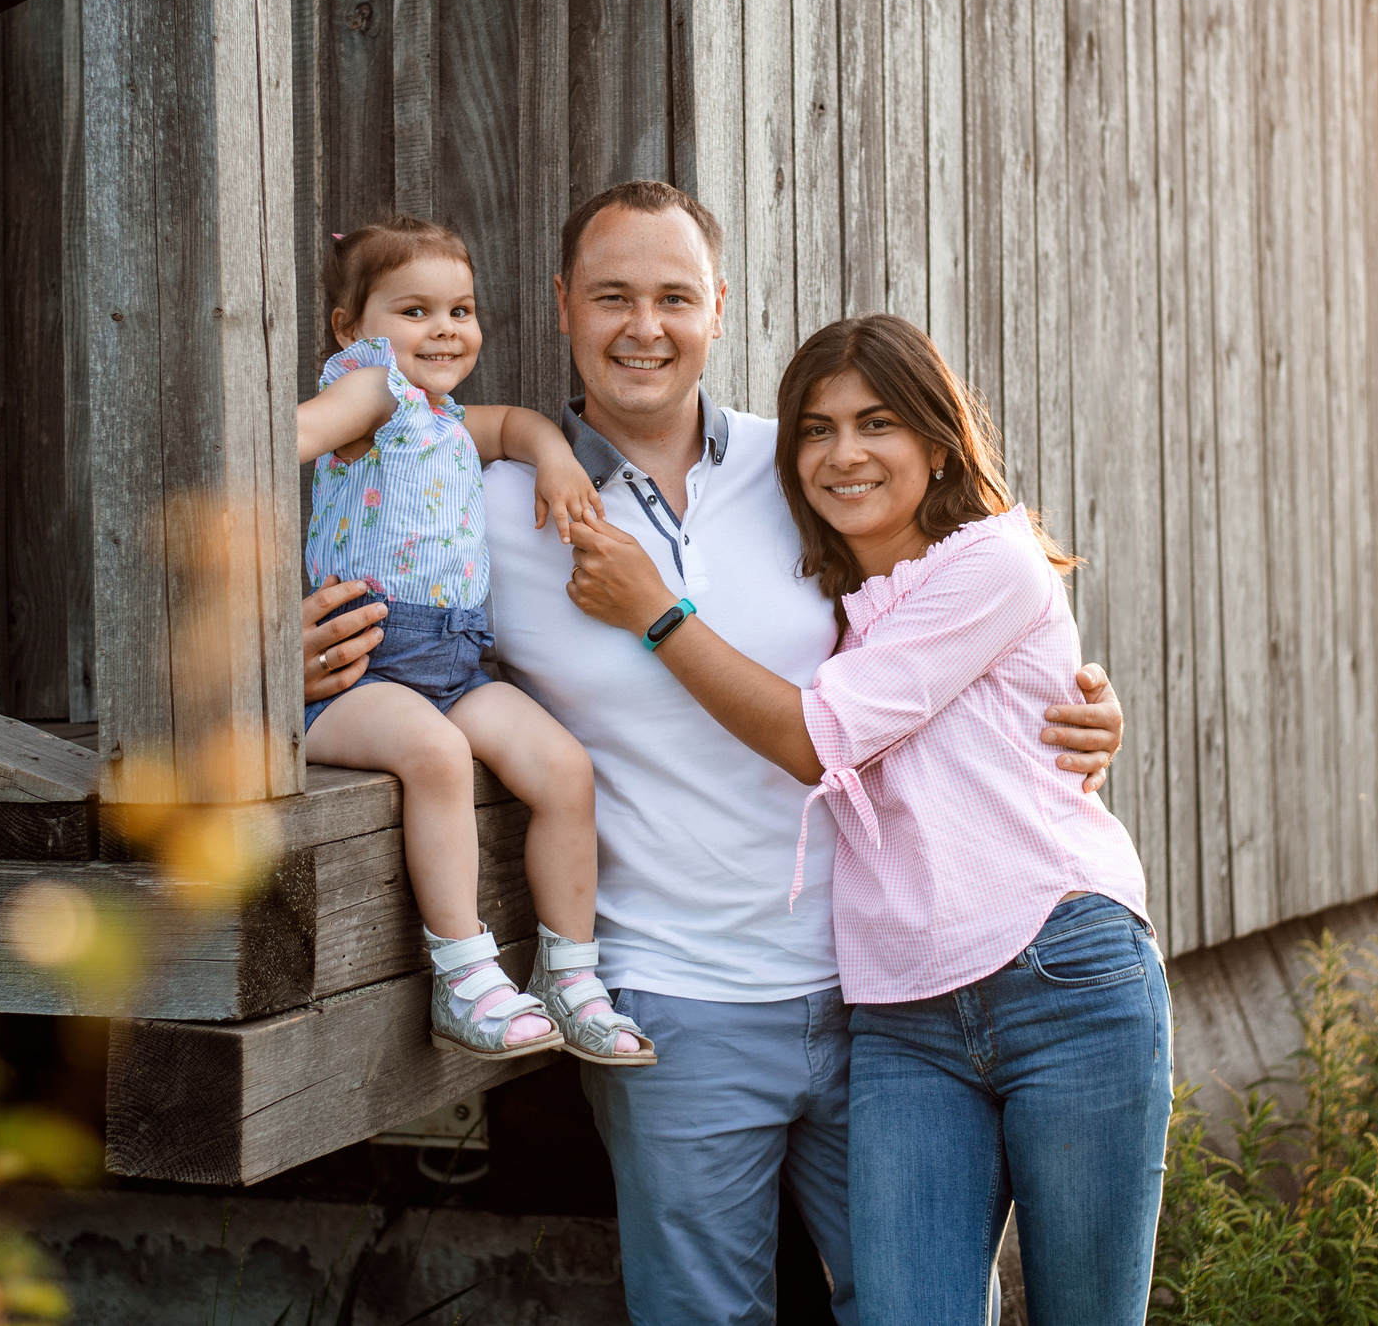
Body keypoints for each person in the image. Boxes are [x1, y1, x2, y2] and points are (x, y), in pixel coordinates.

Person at [298, 184, 1131, 1326]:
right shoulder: (484, 502)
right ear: (560, 307)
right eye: (612, 296)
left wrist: (1078, 697)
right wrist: (285, 660)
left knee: (933, 1309)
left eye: (675, 296)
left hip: (882, 992)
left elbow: (950, 610)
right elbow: (376, 609)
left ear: (719, 308)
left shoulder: (808, 472)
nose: (645, 325)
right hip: (670, 995)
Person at [563, 312, 1170, 1326]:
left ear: (937, 443)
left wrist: (656, 612)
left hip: (1059, 975)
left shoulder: (992, 561)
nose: (842, 453)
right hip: (901, 1015)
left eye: (875, 422)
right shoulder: (835, 602)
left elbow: (816, 735)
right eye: (815, 428)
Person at [296, 216, 654, 1066]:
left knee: (565, 768)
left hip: (456, 662)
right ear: (353, 327)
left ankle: (568, 974)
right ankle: (464, 973)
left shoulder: (443, 416)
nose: (446, 328)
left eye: (460, 309)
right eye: (414, 310)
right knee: (436, 755)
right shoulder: (374, 391)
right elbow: (291, 435)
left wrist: (557, 460)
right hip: (359, 672)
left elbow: (518, 426)